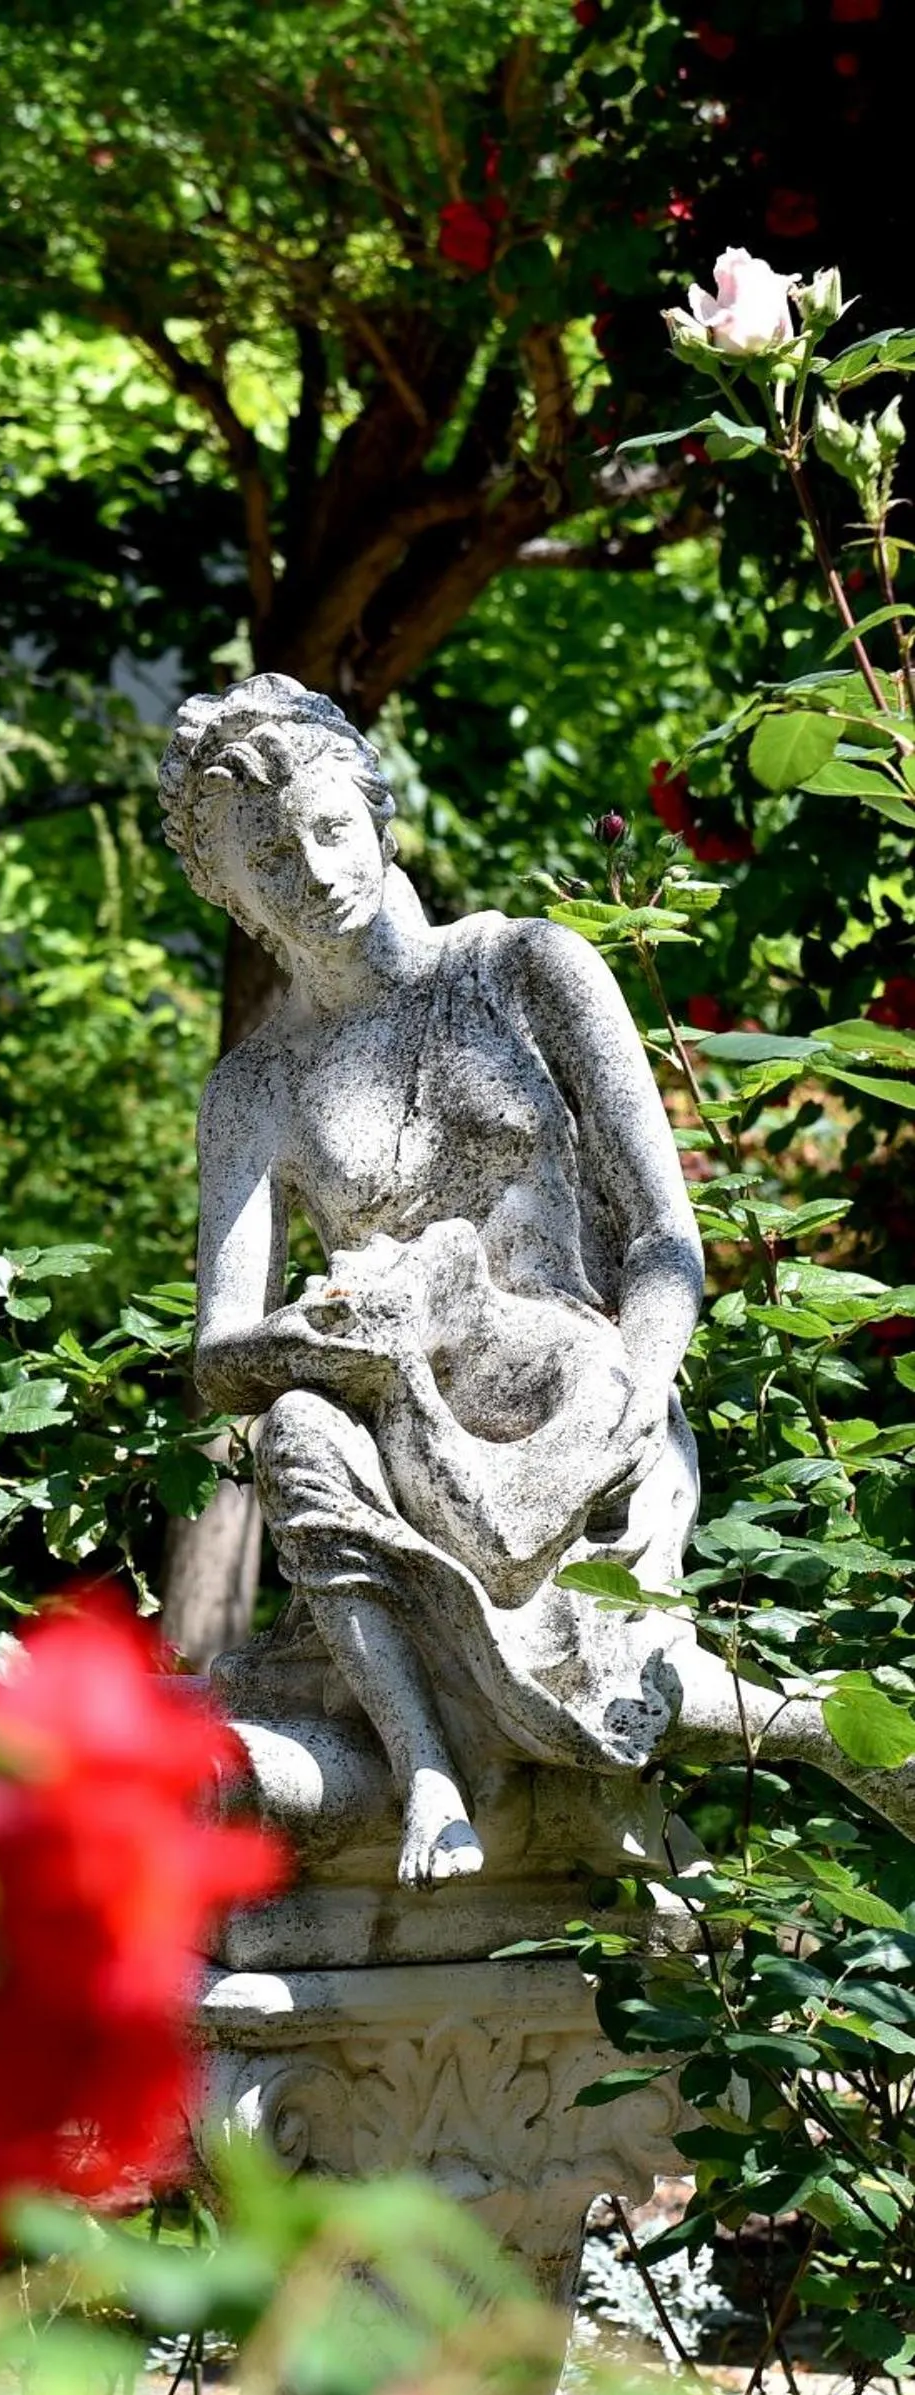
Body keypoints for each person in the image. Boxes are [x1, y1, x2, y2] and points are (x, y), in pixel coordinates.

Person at [164, 673, 914, 1886]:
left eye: (329, 828)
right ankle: (425, 1770)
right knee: (295, 1427)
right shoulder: (254, 1087)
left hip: (578, 1393)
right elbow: (219, 1353)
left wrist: (637, 1391)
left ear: (373, 811)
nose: (313, 872)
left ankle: (816, 1726)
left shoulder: (526, 968)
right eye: (270, 862)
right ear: (232, 897)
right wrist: (314, 1344)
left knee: (601, 1644)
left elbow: (664, 1237)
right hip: (388, 1427)